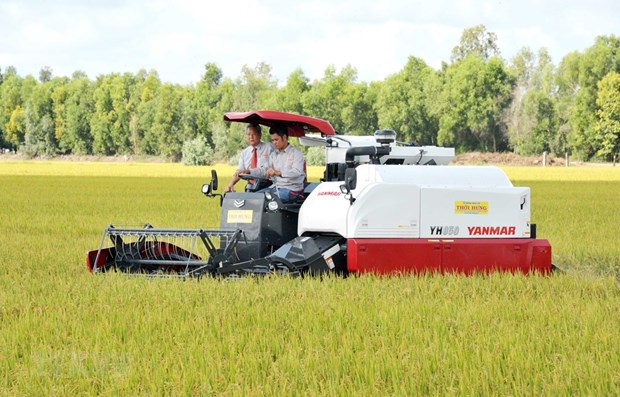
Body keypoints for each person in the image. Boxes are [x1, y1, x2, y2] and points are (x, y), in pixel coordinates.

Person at [251, 124, 306, 203]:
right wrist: (249, 171)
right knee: (252, 199)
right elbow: (264, 170)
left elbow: (296, 172)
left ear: (284, 137)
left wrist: (279, 172)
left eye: (276, 140)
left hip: (291, 190)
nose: (274, 143)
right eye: (272, 140)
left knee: (266, 201)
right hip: (275, 187)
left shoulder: (296, 153)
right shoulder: (274, 155)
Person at [224, 123, 272, 193]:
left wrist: (248, 171)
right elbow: (239, 172)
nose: (251, 137)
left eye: (254, 134)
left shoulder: (269, 148)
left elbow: (266, 170)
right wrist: (230, 184)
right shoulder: (245, 153)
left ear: (260, 135)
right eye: (249, 134)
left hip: (266, 185)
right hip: (251, 186)